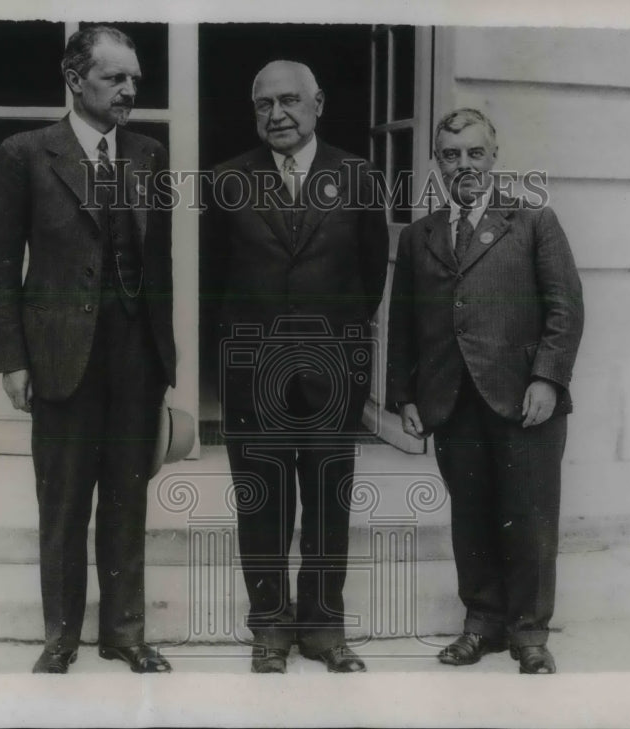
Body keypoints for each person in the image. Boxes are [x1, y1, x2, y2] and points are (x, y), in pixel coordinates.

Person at [0, 25, 176, 674]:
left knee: (128, 497)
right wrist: (10, 359)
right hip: (61, 354)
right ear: (75, 80)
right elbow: (0, 264)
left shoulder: (149, 153)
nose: (130, 91)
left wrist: (164, 355)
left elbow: (160, 264)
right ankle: (60, 636)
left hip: (135, 358)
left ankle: (124, 632)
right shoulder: (25, 153)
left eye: (135, 80)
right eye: (116, 78)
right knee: (63, 504)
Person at [204, 60, 389, 673]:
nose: (276, 114)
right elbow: (213, 283)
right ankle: (269, 629)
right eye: (264, 105)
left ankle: (323, 628)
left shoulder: (358, 177)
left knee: (329, 505)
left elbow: (368, 279)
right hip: (252, 377)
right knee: (262, 504)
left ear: (317, 104)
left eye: (289, 101)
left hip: (331, 374)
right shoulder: (227, 180)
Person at [386, 108, 584, 674]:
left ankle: (529, 635)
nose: (464, 165)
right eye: (452, 156)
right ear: (437, 163)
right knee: (470, 518)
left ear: (494, 157)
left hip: (524, 400)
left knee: (529, 517)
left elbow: (565, 309)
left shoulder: (533, 221)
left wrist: (547, 378)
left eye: (475, 153)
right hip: (451, 400)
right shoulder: (421, 234)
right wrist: (405, 395)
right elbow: (403, 322)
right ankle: (481, 624)